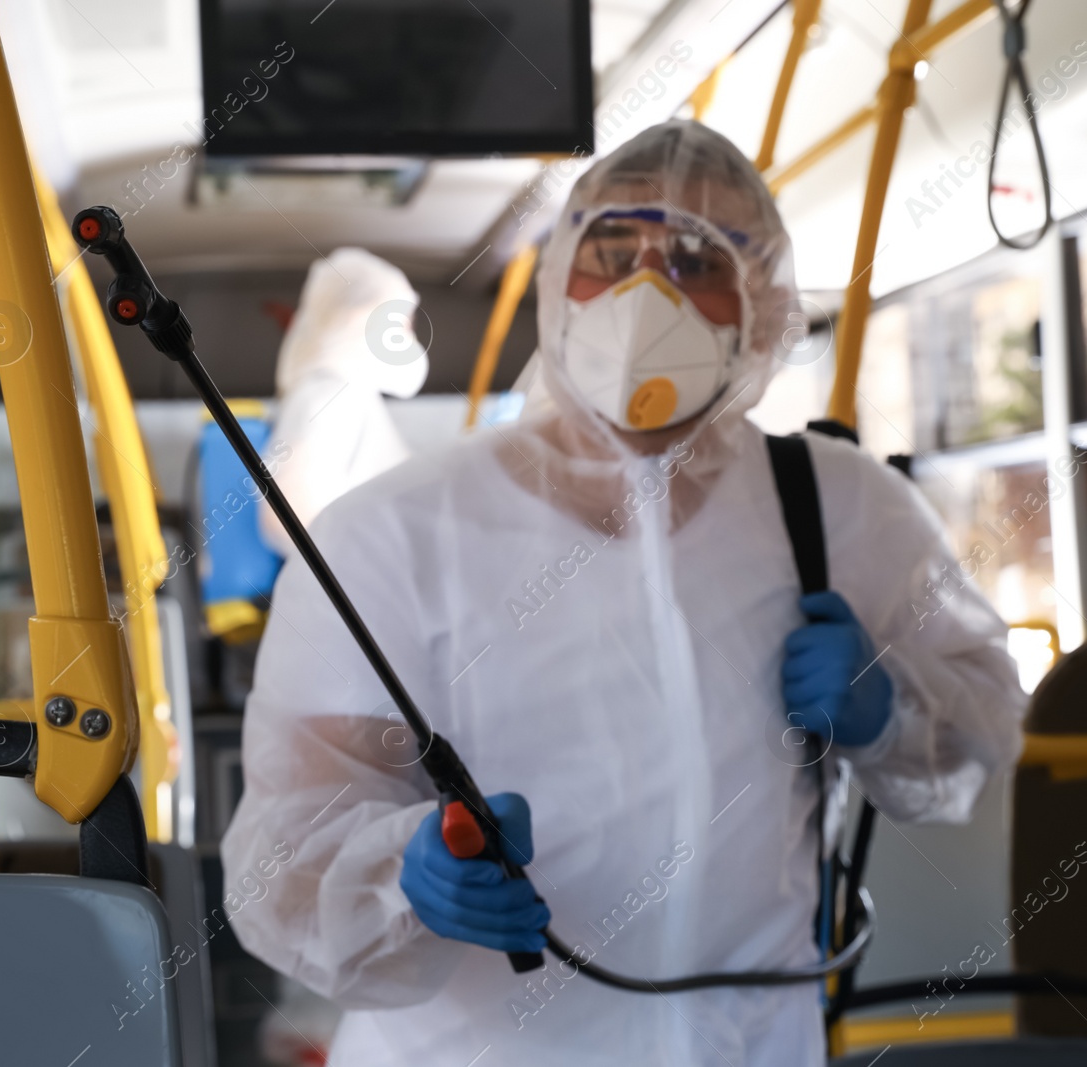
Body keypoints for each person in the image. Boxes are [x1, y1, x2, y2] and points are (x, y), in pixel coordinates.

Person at [222, 121, 1025, 1066]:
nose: (648, 295)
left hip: (751, 1043)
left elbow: (982, 722)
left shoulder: (840, 506)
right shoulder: (393, 533)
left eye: (694, 260)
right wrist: (406, 871)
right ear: (561, 281)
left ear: (761, 305)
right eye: (613, 255)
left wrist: (890, 705)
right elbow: (285, 841)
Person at [257, 247, 429, 558]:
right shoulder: (327, 395)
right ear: (356, 317)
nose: (408, 335)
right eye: (399, 322)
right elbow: (283, 519)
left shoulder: (348, 391)